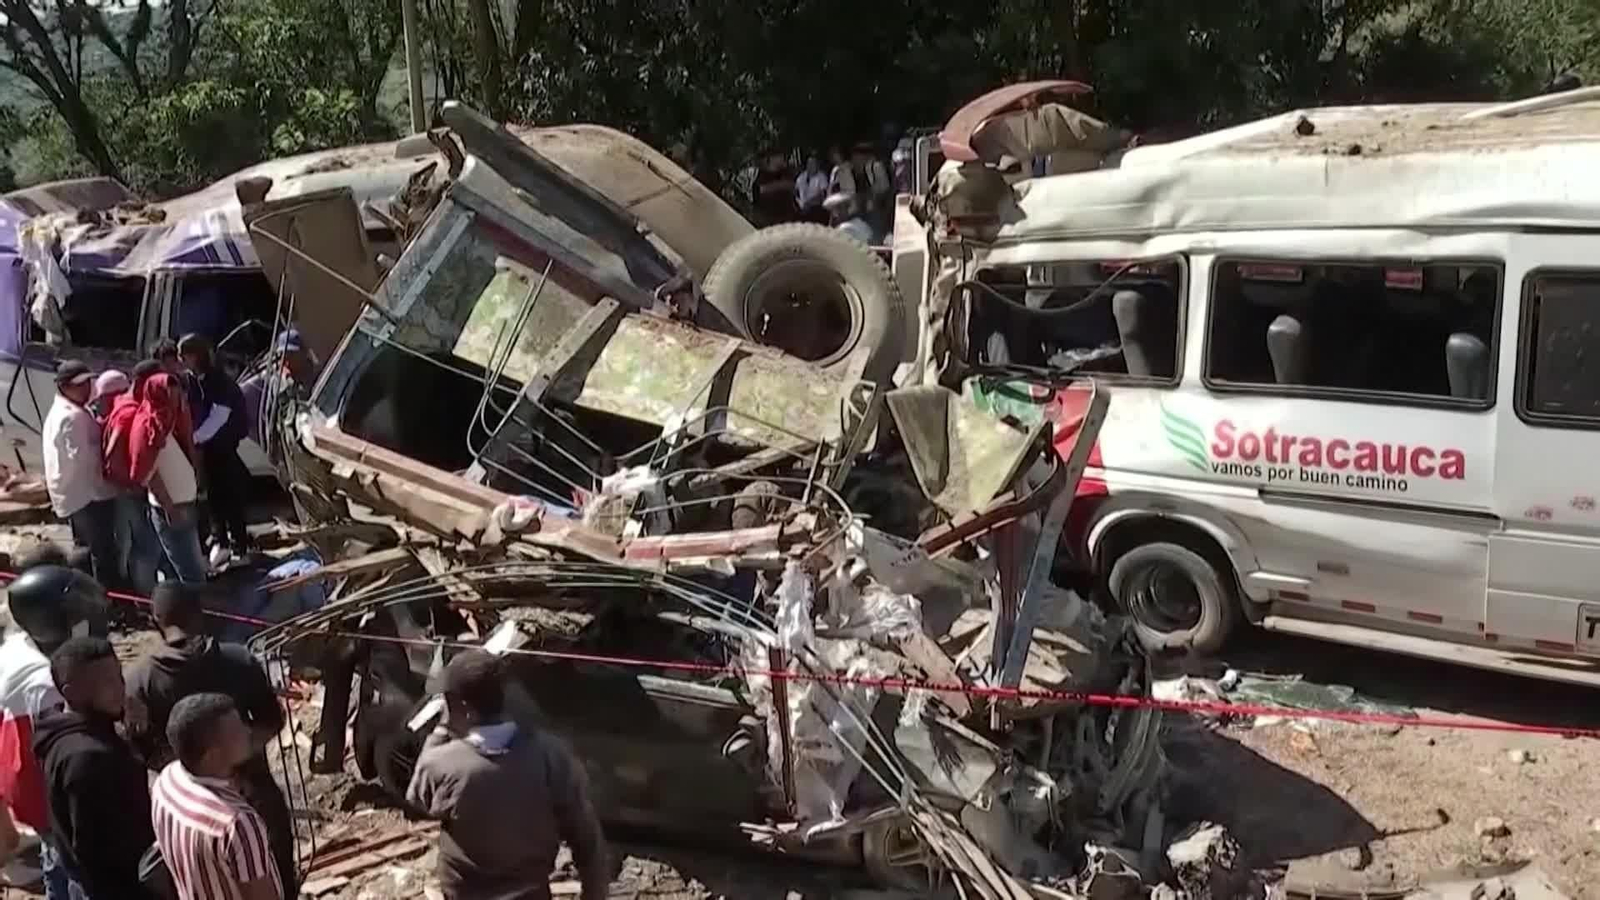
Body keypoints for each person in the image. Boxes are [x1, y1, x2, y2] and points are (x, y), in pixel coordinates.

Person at [126, 582, 295, 896]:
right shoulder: (238, 660)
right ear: (201, 615)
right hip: (254, 794)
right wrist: (236, 762)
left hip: (190, 806)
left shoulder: (139, 681)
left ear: (154, 622)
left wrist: (195, 772)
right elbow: (272, 720)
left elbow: (143, 753)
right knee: (274, 874)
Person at [407, 650, 609, 900]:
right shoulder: (550, 753)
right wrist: (594, 893)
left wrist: (440, 731)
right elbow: (585, 835)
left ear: (462, 707)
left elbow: (417, 800)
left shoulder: (443, 763)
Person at [0, 564, 109, 900]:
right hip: (42, 785)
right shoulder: (49, 680)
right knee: (73, 859)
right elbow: (72, 745)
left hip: (17, 776)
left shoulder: (16, 645)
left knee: (53, 851)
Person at [35, 636, 157, 899]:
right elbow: (96, 854)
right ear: (71, 692)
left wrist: (138, 737)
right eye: (106, 683)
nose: (120, 688)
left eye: (118, 677)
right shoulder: (87, 757)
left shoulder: (61, 729)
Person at [150, 693, 283, 900]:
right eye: (237, 732)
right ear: (212, 755)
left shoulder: (166, 781)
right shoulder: (237, 824)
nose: (248, 731)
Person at [107, 369, 207, 583]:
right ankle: (191, 610)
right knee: (190, 572)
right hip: (171, 508)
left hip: (184, 502)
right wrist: (169, 507)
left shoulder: (166, 420)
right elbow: (149, 474)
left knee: (185, 563)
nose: (176, 397)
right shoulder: (148, 427)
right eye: (169, 392)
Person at [43, 360, 122, 590]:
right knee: (102, 551)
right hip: (88, 495)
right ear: (66, 387)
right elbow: (84, 461)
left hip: (73, 494)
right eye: (82, 384)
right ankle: (108, 601)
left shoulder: (67, 410)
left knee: (85, 549)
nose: (88, 388)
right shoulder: (71, 417)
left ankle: (82, 594)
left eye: (89, 382)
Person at [178, 334, 251, 564]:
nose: (181, 360)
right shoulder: (192, 381)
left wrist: (192, 439)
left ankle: (240, 548)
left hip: (222, 450)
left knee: (231, 499)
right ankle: (221, 541)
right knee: (212, 500)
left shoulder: (220, 383)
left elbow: (217, 419)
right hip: (205, 452)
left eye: (184, 355)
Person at [749, 151, 798, 226]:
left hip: (788, 223)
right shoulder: (758, 177)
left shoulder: (787, 173)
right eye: (779, 155)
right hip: (769, 223)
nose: (784, 157)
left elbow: (793, 187)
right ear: (768, 159)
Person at [794, 154, 830, 223]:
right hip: (802, 210)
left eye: (813, 163)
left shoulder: (822, 177)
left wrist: (809, 204)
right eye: (809, 163)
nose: (811, 165)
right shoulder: (801, 177)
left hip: (816, 210)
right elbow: (796, 192)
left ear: (817, 165)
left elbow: (822, 195)